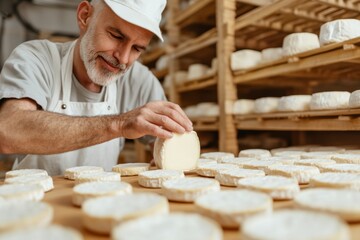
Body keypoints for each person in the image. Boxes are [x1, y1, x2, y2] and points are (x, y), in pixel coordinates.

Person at [0, 0, 193, 175]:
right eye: (116, 36)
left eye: (137, 48)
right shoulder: (37, 59)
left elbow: (173, 145)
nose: (123, 59)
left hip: (102, 206)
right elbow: (7, 131)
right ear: (85, 16)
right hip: (35, 207)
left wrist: (168, 160)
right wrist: (119, 124)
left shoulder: (139, 80)